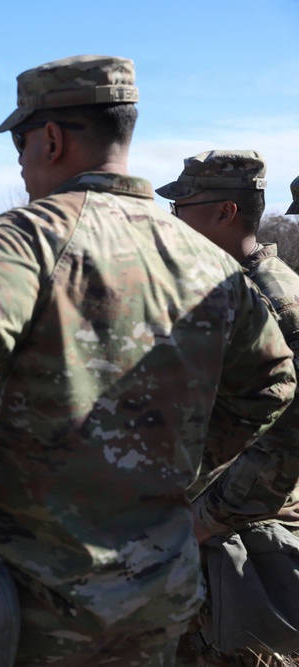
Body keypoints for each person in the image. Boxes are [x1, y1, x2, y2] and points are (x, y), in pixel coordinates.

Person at [0, 55, 299, 665]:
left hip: (32, 594)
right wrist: (171, 466)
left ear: (50, 139)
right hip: (160, 589)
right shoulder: (210, 264)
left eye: (20, 144)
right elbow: (272, 382)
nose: (21, 166)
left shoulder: (17, 243)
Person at [158, 150, 299, 666]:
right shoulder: (224, 288)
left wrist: (203, 521)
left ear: (225, 213)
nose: (174, 220)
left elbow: (287, 443)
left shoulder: (275, 302)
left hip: (231, 542)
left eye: (184, 207)